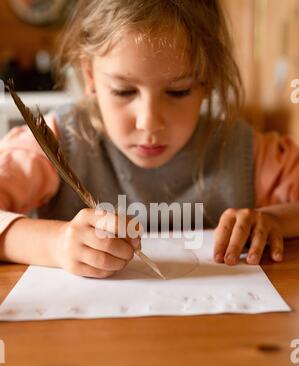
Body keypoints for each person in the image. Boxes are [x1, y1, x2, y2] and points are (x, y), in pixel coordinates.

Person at [0, 0, 298, 279]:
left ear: (208, 79)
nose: (149, 122)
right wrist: (56, 244)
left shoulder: (244, 151)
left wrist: (275, 221)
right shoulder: (57, 142)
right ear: (90, 76)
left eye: (178, 92)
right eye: (123, 91)